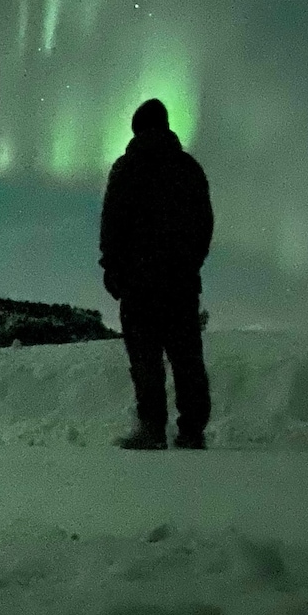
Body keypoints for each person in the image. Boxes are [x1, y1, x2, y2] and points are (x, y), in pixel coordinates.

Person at [100, 98, 213, 450]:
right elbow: (204, 225)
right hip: (180, 282)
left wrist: (113, 269)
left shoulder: (126, 168)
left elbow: (112, 224)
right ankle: (192, 430)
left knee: (144, 357)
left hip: (138, 283)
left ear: (137, 129)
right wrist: (190, 264)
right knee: (187, 356)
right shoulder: (188, 169)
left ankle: (152, 427)